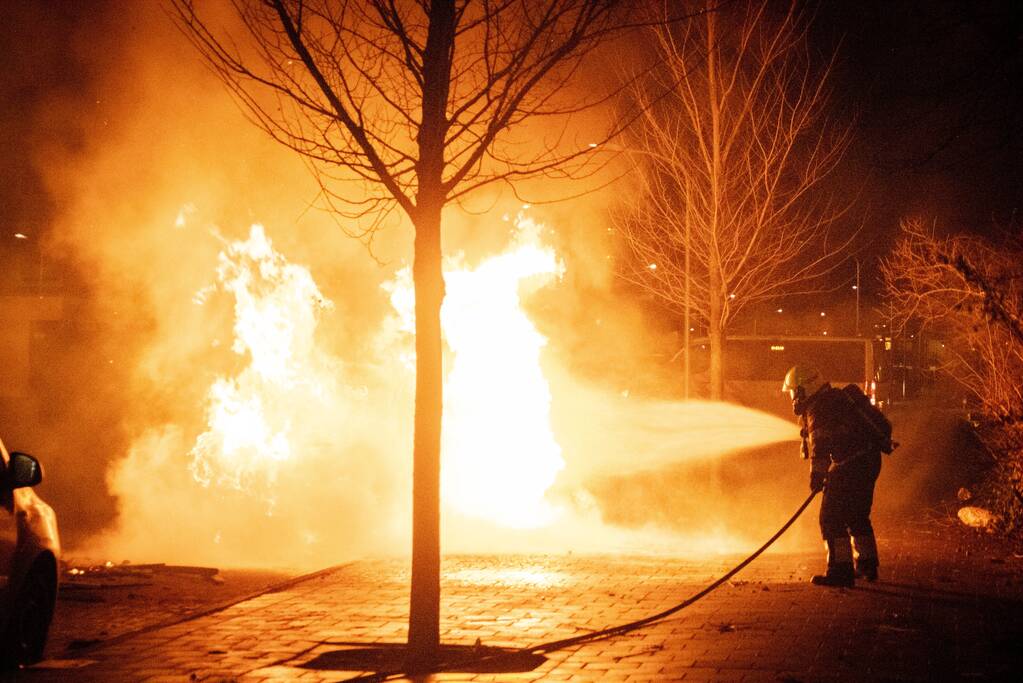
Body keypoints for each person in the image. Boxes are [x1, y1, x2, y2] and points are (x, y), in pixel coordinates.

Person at [782, 365, 883, 587]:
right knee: (857, 515)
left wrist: (817, 475)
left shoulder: (818, 408)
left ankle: (840, 570)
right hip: (868, 459)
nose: (793, 399)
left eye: (793, 392)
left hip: (850, 464)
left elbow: (820, 445)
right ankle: (867, 564)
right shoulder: (834, 399)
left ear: (803, 390)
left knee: (830, 517)